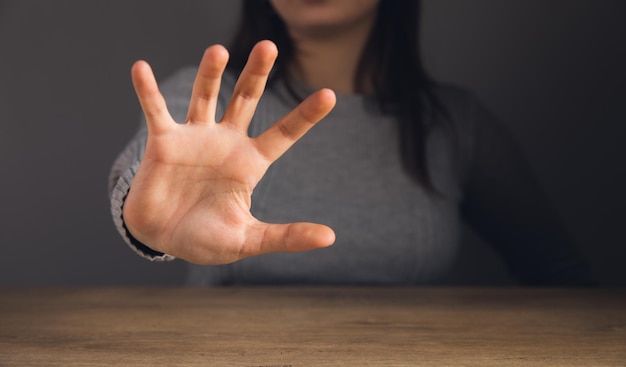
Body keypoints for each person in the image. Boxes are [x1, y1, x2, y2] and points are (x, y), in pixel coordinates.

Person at [109, 0, 591, 286]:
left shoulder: (451, 123)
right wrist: (143, 216)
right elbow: (140, 175)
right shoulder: (202, 99)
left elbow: (560, 269)